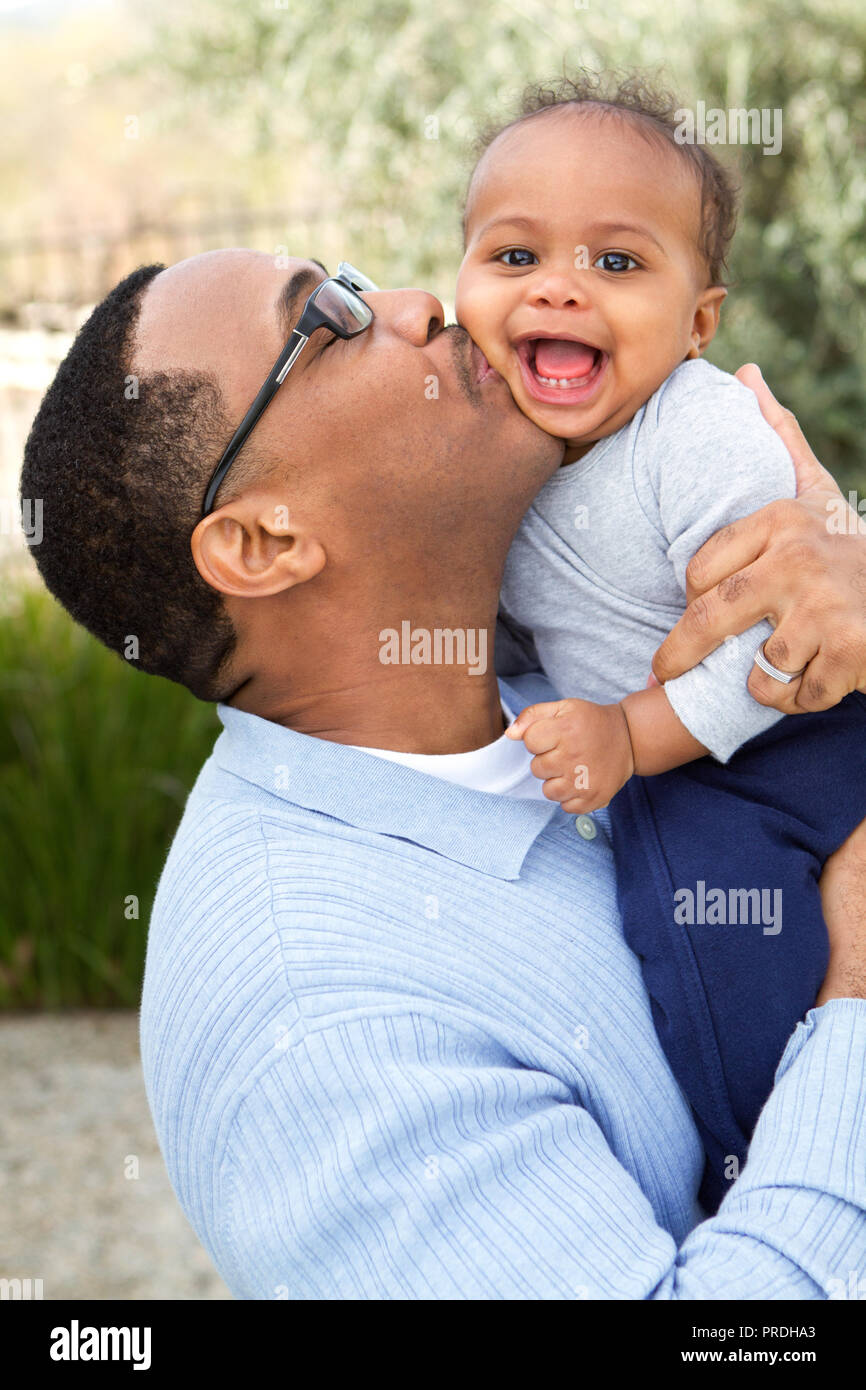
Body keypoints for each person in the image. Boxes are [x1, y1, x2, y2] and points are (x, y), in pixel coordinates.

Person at [20, 248, 866, 1298]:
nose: (418, 305)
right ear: (260, 541)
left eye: (357, 277)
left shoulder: (573, 644)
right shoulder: (320, 1033)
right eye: (328, 319)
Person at [455, 73, 866, 1207]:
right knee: (674, 926)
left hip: (789, 734)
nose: (561, 291)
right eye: (514, 257)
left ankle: (768, 1176)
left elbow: (782, 628)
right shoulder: (501, 439)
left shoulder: (695, 431)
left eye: (617, 263)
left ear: (698, 322)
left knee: (717, 942)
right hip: (664, 754)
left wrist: (629, 738)